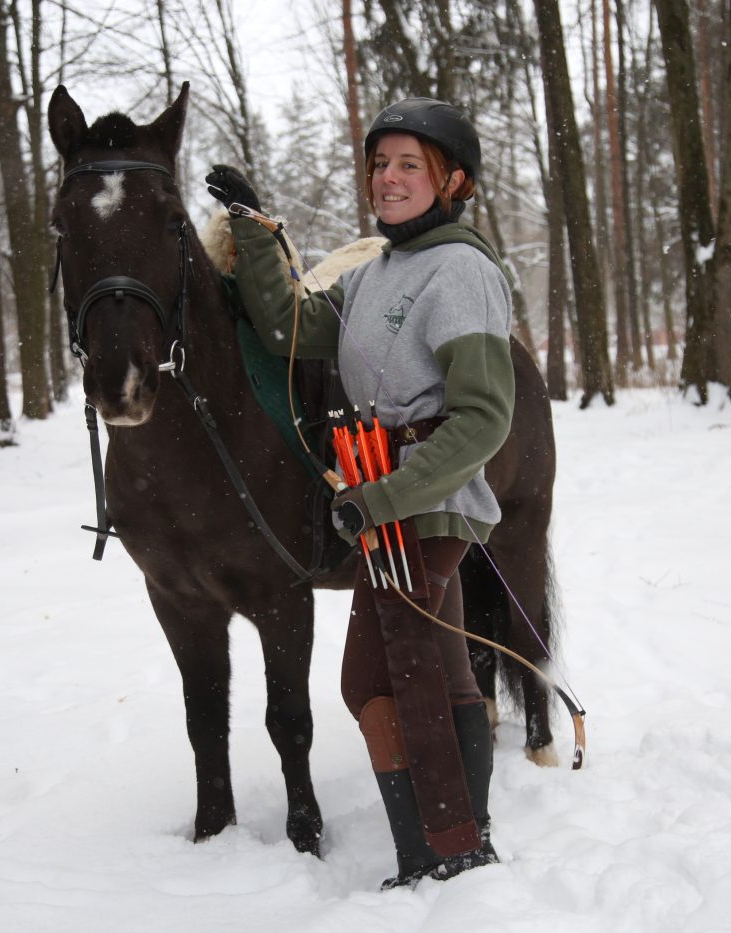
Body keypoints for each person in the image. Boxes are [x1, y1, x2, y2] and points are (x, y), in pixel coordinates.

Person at [206, 97, 515, 888]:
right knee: (393, 675)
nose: (388, 177)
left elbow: (483, 418)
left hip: (427, 498)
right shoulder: (377, 272)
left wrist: (385, 497)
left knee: (418, 671)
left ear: (453, 182)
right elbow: (288, 328)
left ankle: (454, 848)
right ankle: (438, 847)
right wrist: (251, 225)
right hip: (382, 498)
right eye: (380, 163)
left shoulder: (463, 270)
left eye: (410, 164)